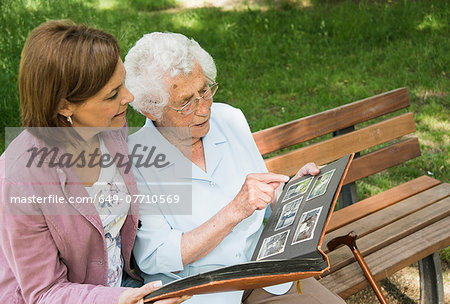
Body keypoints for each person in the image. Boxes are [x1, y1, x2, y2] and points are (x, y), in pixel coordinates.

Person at [125, 32, 346, 303]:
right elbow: (155, 257)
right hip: (198, 293)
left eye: (204, 91)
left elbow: (264, 198)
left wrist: (295, 193)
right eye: (185, 102)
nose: (204, 109)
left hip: (261, 273)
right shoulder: (136, 158)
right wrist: (234, 211)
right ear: (150, 109)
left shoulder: (229, 118)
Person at [0, 20, 187, 304]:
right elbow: (44, 292)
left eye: (122, 83)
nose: (128, 97)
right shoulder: (20, 180)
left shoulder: (109, 129)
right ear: (64, 106)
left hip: (123, 286)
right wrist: (122, 300)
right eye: (112, 94)